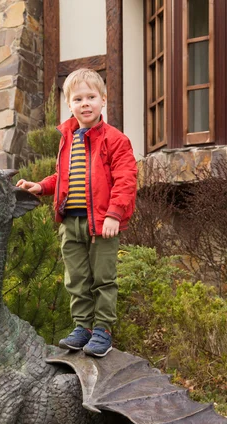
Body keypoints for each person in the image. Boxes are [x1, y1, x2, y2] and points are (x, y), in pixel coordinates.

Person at [17, 68, 137, 357]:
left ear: (103, 100)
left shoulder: (115, 140)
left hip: (101, 225)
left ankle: (102, 330)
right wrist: (41, 186)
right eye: (78, 98)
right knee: (77, 279)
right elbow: (63, 177)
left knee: (103, 278)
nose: (85, 103)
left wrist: (114, 214)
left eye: (91, 97)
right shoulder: (68, 139)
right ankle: (82, 327)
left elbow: (126, 179)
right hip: (70, 222)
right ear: (69, 104)